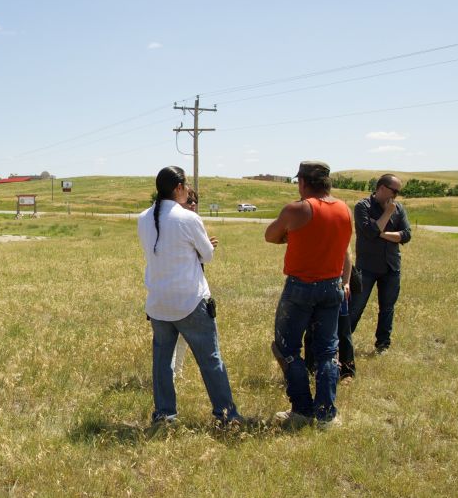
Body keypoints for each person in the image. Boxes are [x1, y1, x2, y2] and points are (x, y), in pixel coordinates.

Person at [137, 166, 242, 425]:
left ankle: (165, 414)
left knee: (162, 363)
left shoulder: (143, 218)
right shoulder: (188, 218)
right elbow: (207, 255)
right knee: (210, 360)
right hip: (190, 301)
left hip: (159, 302)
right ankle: (226, 414)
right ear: (179, 188)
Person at [265, 161, 353, 428]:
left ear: (303, 182)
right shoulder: (344, 209)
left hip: (301, 287)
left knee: (287, 348)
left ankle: (302, 410)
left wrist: (289, 237)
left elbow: (270, 235)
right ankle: (326, 414)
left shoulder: (298, 209)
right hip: (332, 286)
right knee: (328, 350)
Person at [350, 174, 412, 353]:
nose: (397, 196)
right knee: (356, 307)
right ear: (382, 188)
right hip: (367, 267)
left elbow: (406, 235)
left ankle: (382, 345)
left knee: (387, 308)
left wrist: (381, 232)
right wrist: (387, 214)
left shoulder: (399, 208)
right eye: (395, 191)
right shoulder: (363, 206)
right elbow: (369, 232)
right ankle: (342, 344)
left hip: (391, 266)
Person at [171, 187, 200, 379]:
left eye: (195, 202)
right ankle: (171, 373)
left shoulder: (194, 224)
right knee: (172, 337)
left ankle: (177, 371)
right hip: (175, 289)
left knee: (183, 338)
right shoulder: (173, 225)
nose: (194, 205)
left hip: (191, 289)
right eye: (189, 201)